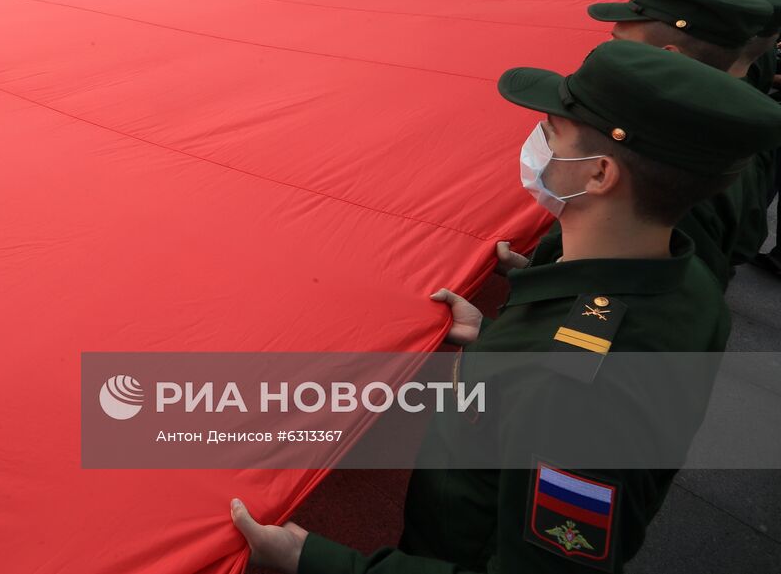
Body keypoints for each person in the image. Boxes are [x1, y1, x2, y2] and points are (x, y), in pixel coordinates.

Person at [232, 39, 781, 574]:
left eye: (550, 132)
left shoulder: (576, 398)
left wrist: (314, 559)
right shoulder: (685, 281)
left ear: (599, 174)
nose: (535, 141)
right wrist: (496, 337)